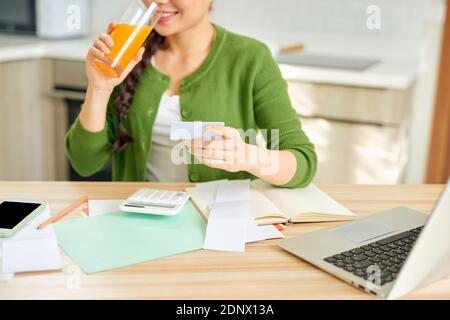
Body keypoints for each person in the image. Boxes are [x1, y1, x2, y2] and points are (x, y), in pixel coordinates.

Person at [66, 0, 317, 188]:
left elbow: (303, 162)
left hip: (217, 227)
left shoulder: (250, 58)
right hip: (138, 225)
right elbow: (84, 163)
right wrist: (99, 89)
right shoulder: (128, 55)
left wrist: (249, 157)